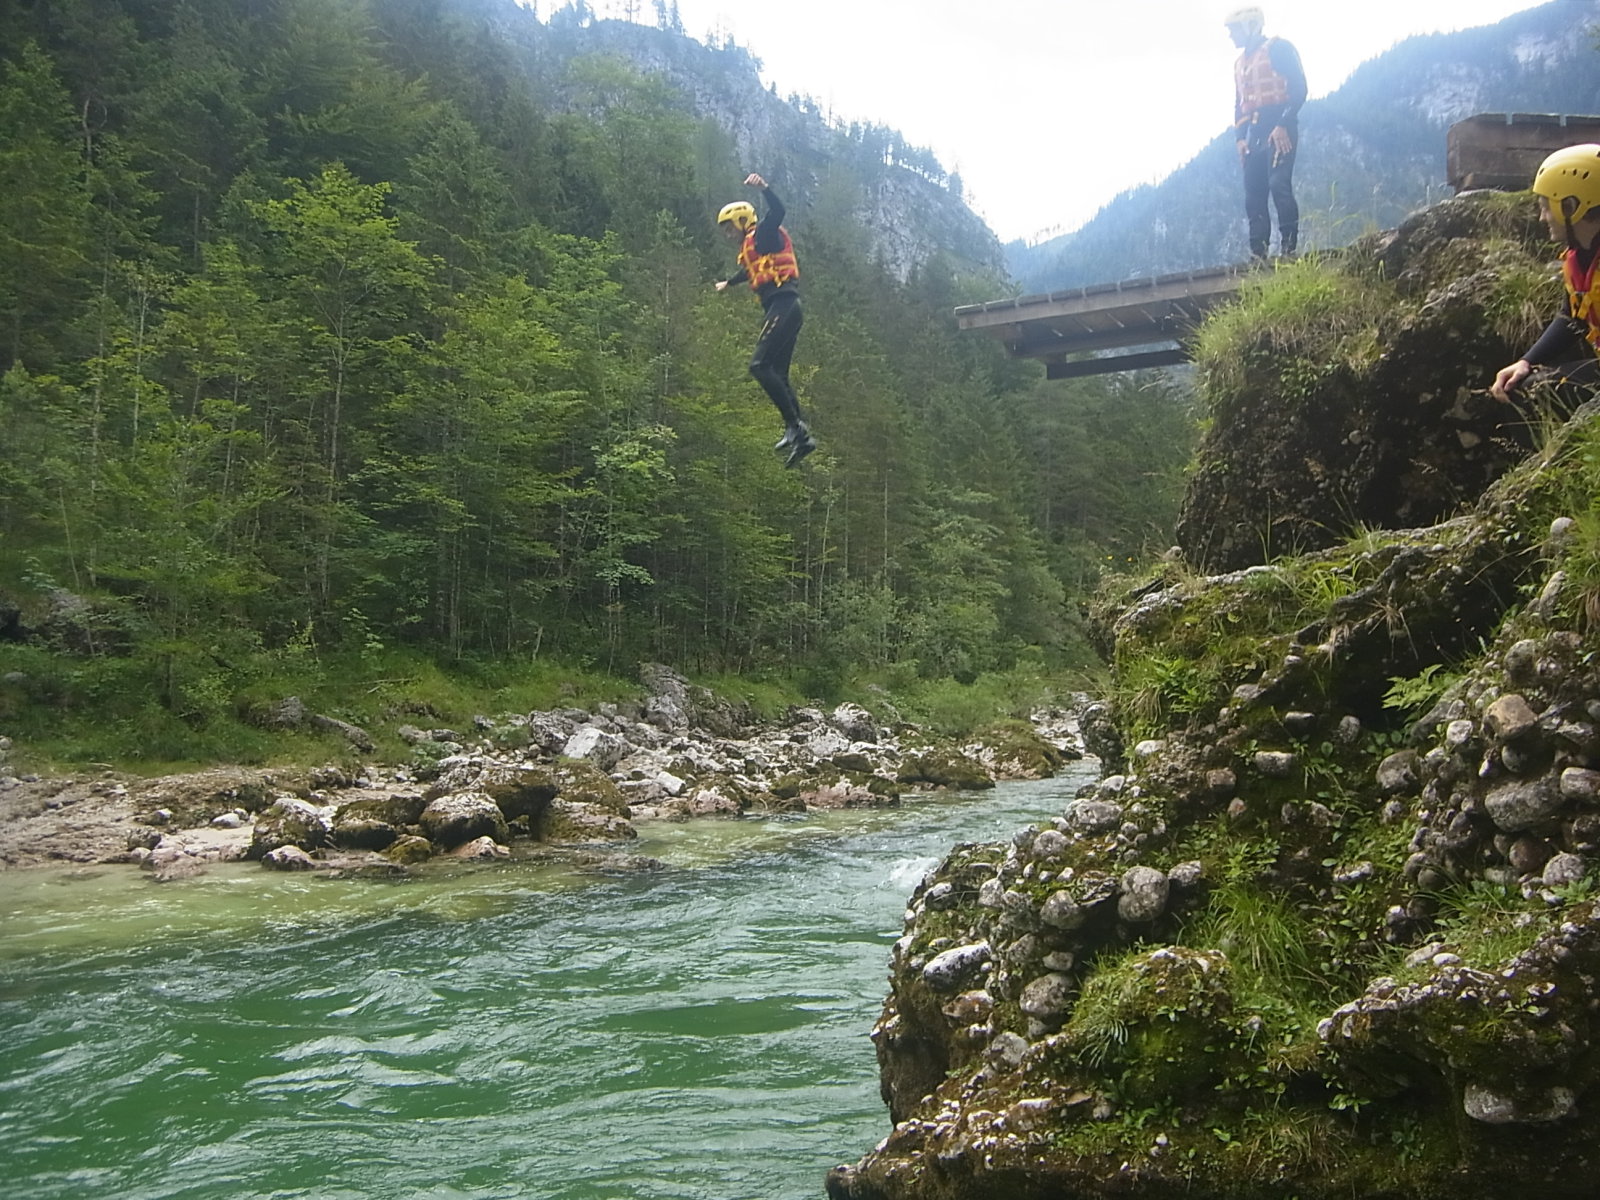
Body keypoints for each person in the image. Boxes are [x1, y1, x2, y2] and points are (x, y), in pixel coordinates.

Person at [714, 173, 815, 467]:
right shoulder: (754, 246)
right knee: (778, 374)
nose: (727, 234)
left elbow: (778, 211)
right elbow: (750, 271)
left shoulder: (763, 234)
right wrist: (729, 283)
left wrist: (765, 189)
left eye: (729, 228)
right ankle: (801, 437)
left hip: (784, 305)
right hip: (786, 308)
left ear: (742, 221)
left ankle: (796, 427)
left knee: (759, 365)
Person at [1492, 143, 1600, 405]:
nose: (1542, 217)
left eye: (1546, 206)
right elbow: (1571, 317)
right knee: (1521, 385)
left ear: (1572, 206)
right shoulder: (1580, 257)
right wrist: (1527, 361)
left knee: (1535, 391)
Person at [1225, 6, 1307, 261]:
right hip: (1255, 131)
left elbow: (1300, 88)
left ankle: (1289, 248)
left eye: (1234, 29)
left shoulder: (1279, 49)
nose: (1231, 35)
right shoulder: (1240, 64)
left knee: (1278, 184)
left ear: (1250, 26)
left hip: (1280, 125)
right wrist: (1240, 138)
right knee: (1254, 192)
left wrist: (1283, 124)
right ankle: (1258, 253)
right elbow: (1240, 104)